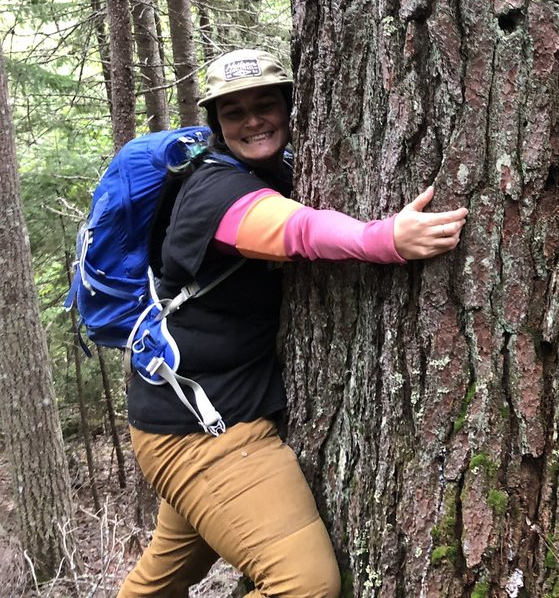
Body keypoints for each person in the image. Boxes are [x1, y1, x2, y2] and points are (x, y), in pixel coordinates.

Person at [119, 48, 468, 598]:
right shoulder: (218, 191)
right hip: (207, 432)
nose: (253, 120)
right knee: (303, 587)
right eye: (234, 112)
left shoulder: (275, 169)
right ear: (216, 124)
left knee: (158, 582)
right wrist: (385, 239)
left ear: (290, 105)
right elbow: (297, 230)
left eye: (265, 103)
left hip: (182, 413)